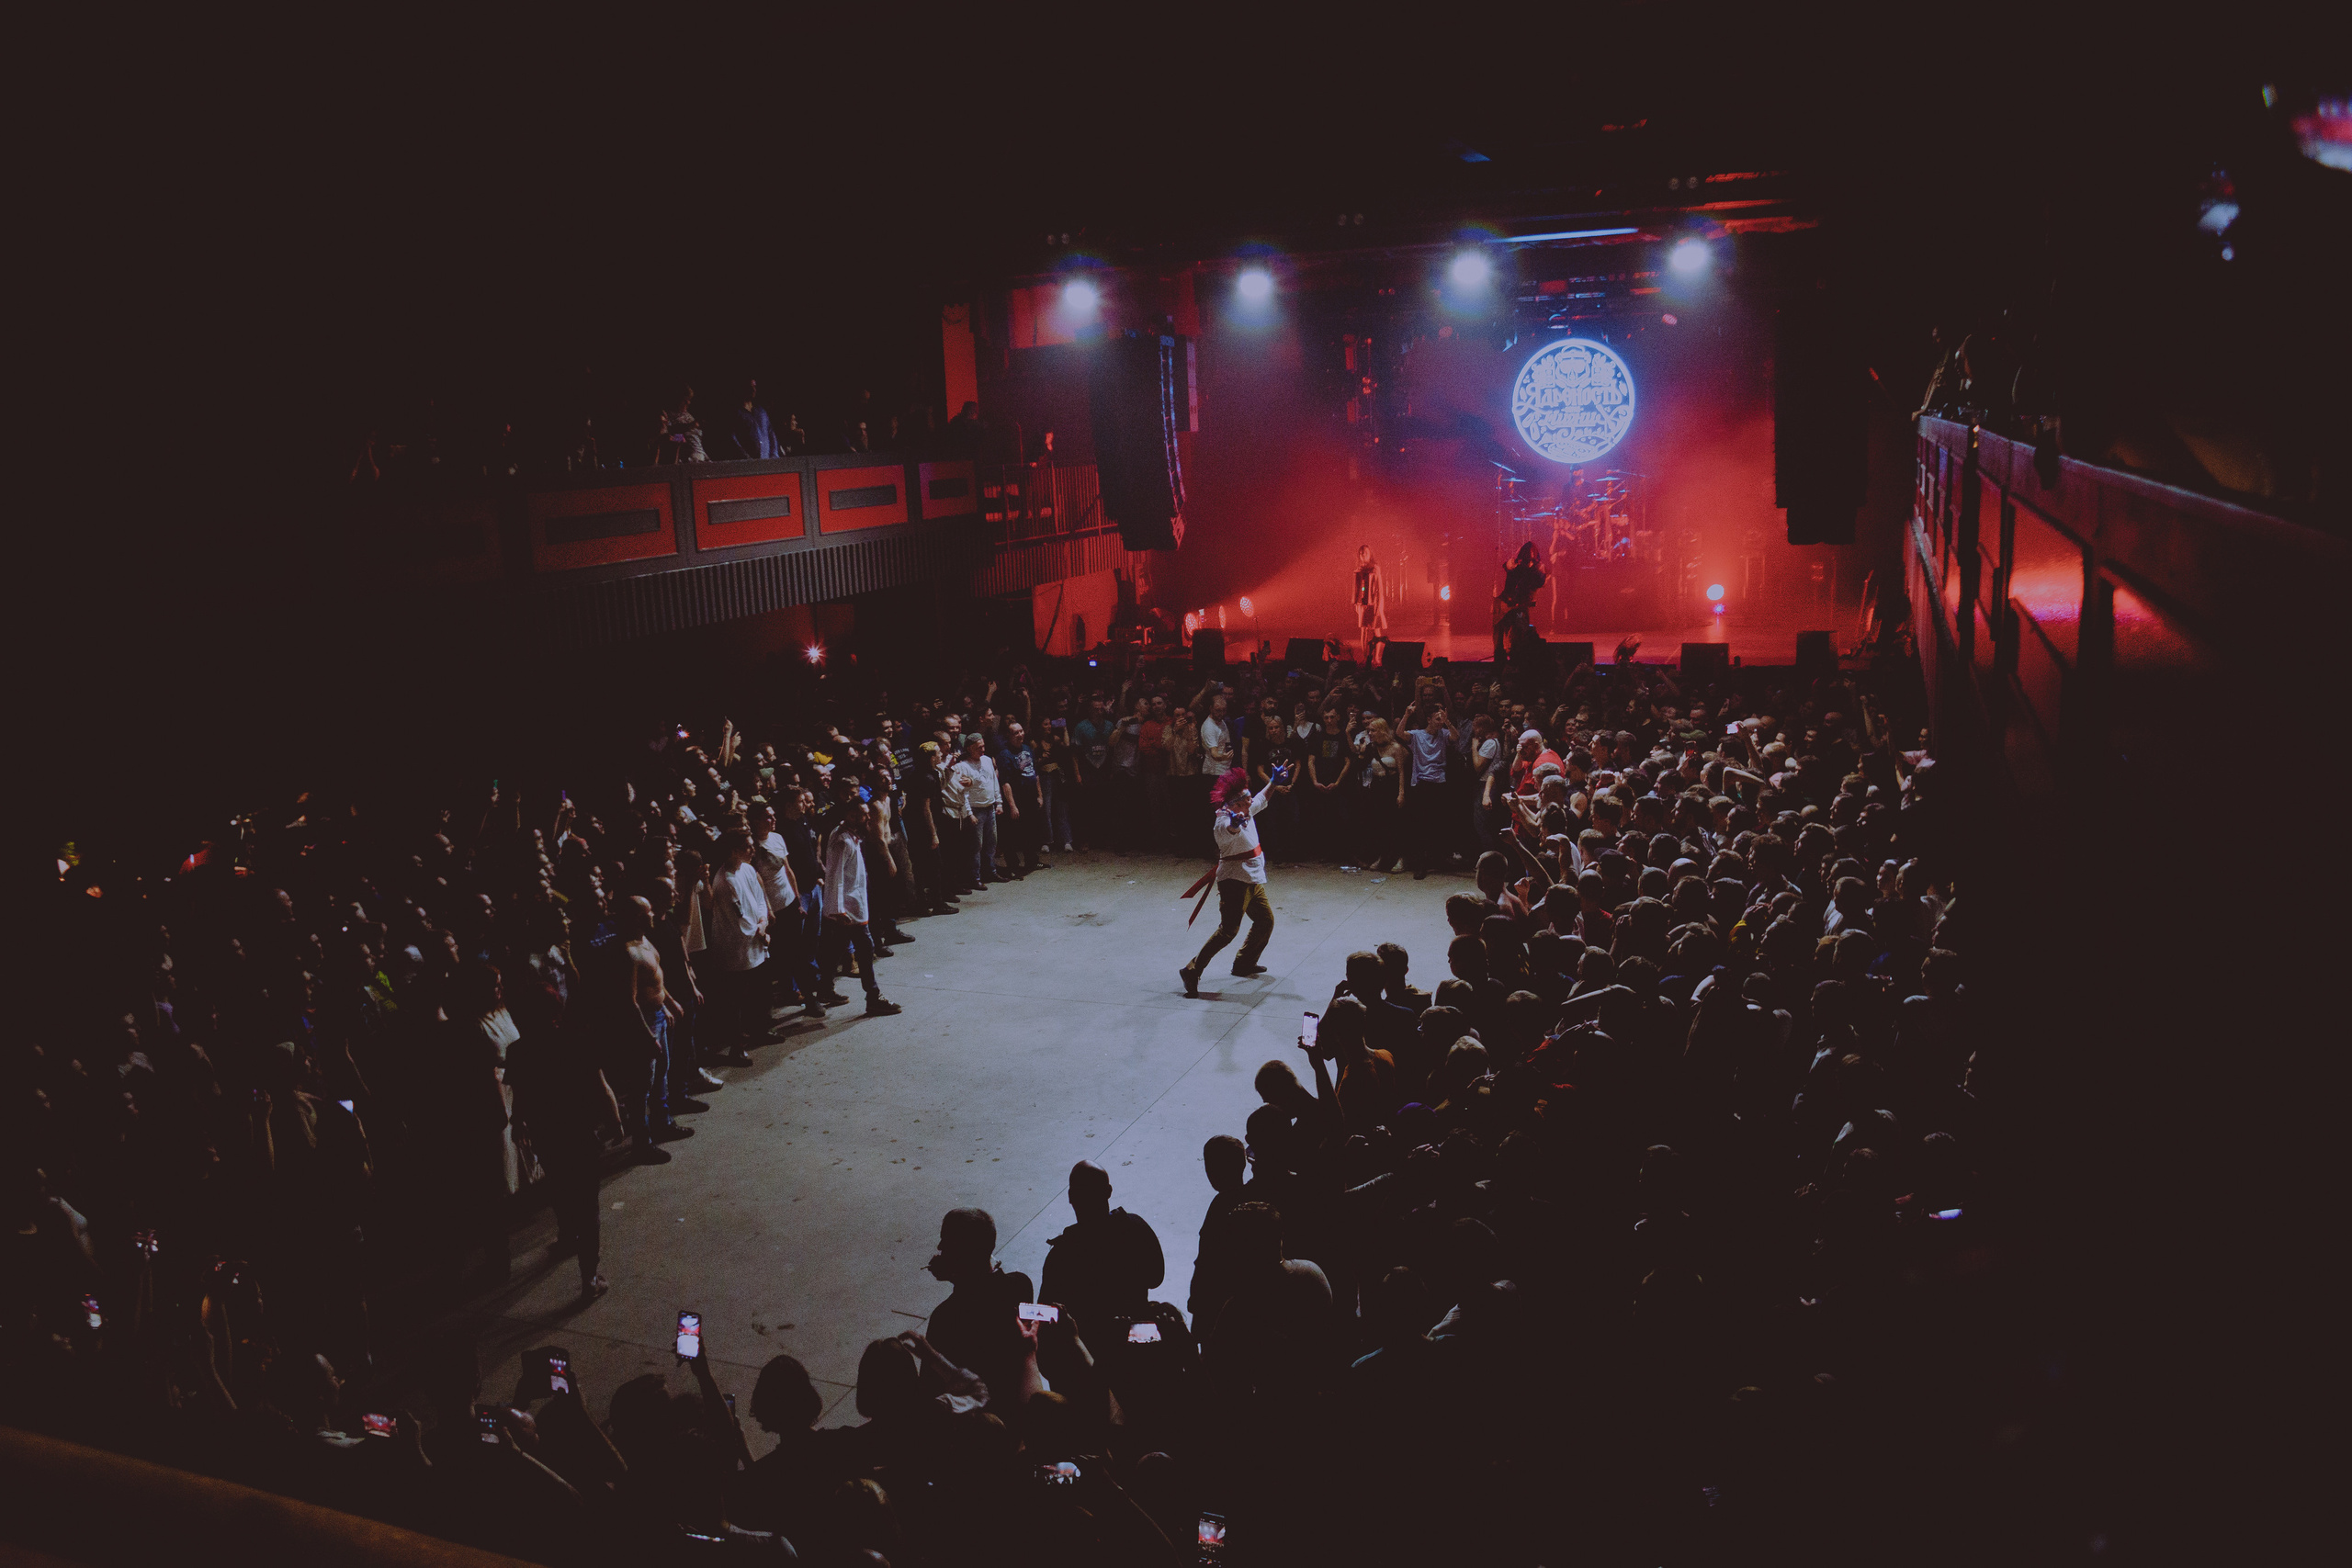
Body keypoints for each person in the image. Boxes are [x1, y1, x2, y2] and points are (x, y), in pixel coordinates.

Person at [1179, 764, 1283, 997]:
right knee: (1228, 931)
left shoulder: (1245, 808)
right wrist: (1235, 824)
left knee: (1265, 921)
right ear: (1235, 804)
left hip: (1252, 879)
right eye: (1246, 800)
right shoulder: (1223, 822)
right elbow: (1228, 830)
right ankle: (1192, 969)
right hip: (1234, 881)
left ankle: (1244, 963)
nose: (1250, 802)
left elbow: (1261, 799)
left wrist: (1273, 783)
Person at [1038, 1160, 1165, 1340]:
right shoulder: (1135, 1227)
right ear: (1108, 1191)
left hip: (1091, 1348)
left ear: (1070, 1196)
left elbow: (1049, 1316)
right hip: (1138, 1337)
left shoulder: (1061, 1255)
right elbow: (1156, 1279)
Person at [821, 800, 903, 1018]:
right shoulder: (842, 841)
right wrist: (839, 910)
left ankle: (825, 989)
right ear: (851, 817)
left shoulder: (851, 837)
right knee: (865, 950)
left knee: (837, 949)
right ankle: (873, 998)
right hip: (848, 911)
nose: (869, 818)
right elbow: (835, 877)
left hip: (852, 907)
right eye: (864, 815)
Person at [948, 734, 1003, 886]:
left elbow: (994, 781)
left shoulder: (987, 760)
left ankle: (990, 872)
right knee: (975, 847)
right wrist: (969, 813)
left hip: (990, 807)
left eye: (983, 746)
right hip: (975, 809)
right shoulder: (963, 766)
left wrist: (999, 803)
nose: (983, 750)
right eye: (979, 748)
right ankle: (975, 878)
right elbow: (963, 792)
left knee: (991, 843)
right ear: (969, 748)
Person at [1352, 544, 1387, 665]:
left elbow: (1379, 588)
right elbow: (1357, 588)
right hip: (1363, 604)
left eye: (1365, 553)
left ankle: (1377, 657)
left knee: (1376, 630)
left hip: (1375, 603)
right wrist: (1356, 603)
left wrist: (1378, 606)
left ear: (1370, 554)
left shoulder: (1375, 568)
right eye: (1361, 553)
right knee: (1363, 630)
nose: (1363, 555)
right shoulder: (1359, 569)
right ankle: (1365, 657)